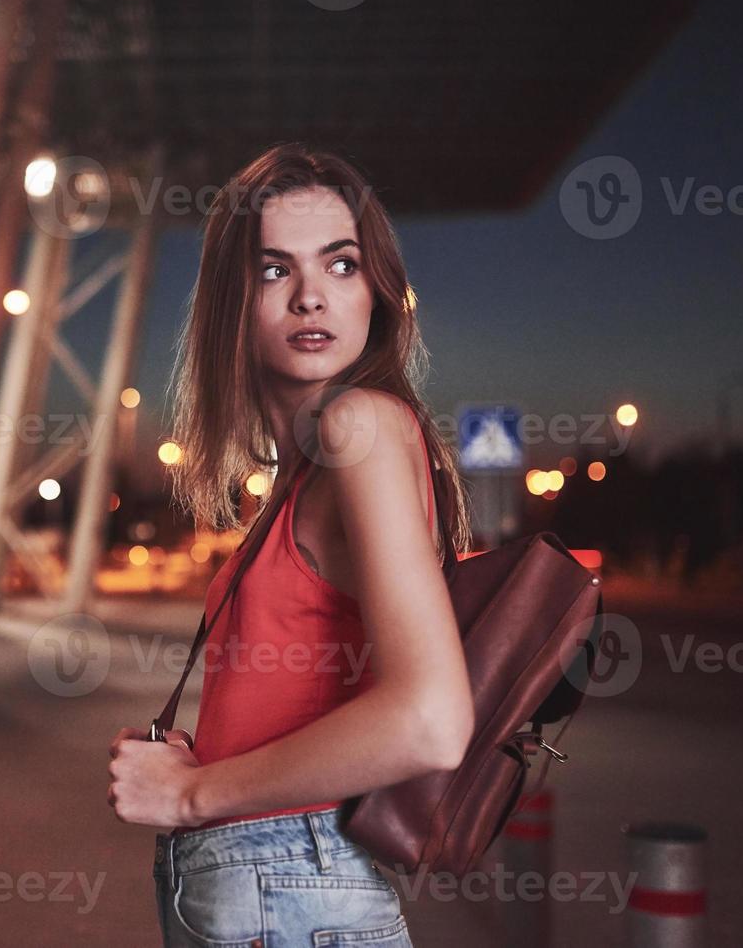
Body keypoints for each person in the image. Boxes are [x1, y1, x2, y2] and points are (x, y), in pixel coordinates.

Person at [106, 143, 474, 947]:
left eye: (340, 265)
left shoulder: (361, 427)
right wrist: (198, 762)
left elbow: (431, 720)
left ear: (377, 291)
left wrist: (191, 797)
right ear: (231, 300)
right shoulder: (301, 472)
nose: (311, 296)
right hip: (274, 885)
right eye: (274, 270)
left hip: (292, 879)